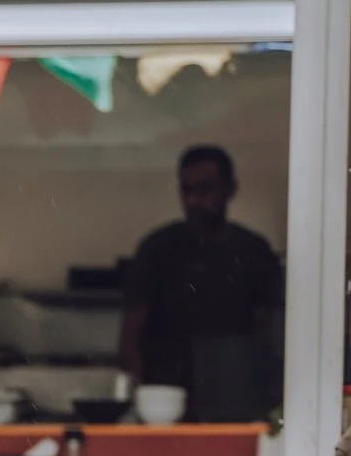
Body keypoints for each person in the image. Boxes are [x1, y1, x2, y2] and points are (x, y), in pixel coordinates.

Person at [118, 145, 283, 420]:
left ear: (231, 189)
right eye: (187, 190)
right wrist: (139, 399)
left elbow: (265, 334)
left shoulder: (252, 251)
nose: (195, 200)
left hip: (234, 394)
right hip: (165, 398)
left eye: (206, 189)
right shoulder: (158, 248)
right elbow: (130, 334)